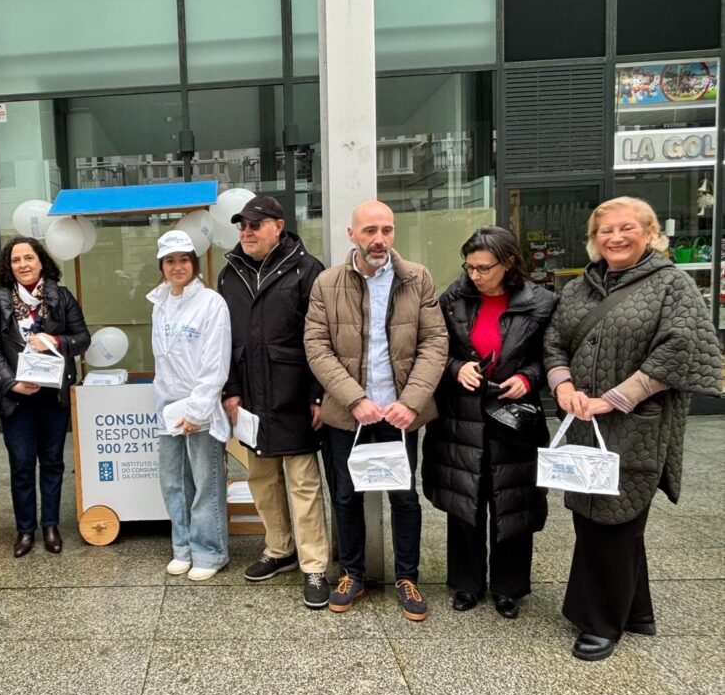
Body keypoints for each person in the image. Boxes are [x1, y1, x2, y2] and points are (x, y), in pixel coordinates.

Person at [543, 196, 721, 661]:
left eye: (627, 228)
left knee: (616, 519)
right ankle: (636, 612)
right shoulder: (580, 288)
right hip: (584, 422)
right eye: (605, 230)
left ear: (650, 233)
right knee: (592, 516)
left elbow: (680, 349)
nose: (615, 237)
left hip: (637, 424)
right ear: (593, 238)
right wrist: (563, 386)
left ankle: (601, 623)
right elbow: (555, 340)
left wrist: (615, 398)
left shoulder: (672, 285)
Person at [304, 200, 447, 620]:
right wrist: (355, 399)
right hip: (348, 414)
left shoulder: (417, 278)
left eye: (387, 229)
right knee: (346, 496)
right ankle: (353, 574)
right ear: (351, 235)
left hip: (400, 414)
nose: (379, 239)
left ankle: (407, 577)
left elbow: (435, 342)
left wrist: (411, 402)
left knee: (404, 497)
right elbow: (317, 346)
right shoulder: (327, 283)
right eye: (370, 231)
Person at [422, 226, 557, 619]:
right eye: (469, 267)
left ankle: (508, 587)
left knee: (512, 502)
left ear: (509, 262)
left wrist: (528, 378)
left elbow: (552, 356)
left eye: (483, 268)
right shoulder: (454, 298)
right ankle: (466, 583)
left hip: (513, 416)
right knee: (465, 501)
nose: (474, 275)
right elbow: (434, 349)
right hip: (462, 416)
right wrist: (456, 367)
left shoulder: (541, 303)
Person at [216, 194, 330, 609]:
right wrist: (230, 389)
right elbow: (223, 341)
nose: (246, 232)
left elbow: (321, 338)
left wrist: (318, 393)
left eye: (255, 225)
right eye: (242, 226)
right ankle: (280, 549)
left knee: (303, 483)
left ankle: (315, 565)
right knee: (261, 480)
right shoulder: (229, 273)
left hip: (293, 395)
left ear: (278, 227)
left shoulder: (307, 269)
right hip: (250, 396)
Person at [0, 236, 90, 557]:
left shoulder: (61, 296)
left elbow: (83, 338)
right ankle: (25, 530)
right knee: (22, 465)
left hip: (53, 396)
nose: (23, 265)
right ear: (9, 266)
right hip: (17, 398)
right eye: (16, 260)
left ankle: (50, 526)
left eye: (29, 258)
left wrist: (55, 340)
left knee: (53, 462)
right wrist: (9, 382)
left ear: (41, 261)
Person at [149, 230, 232, 581]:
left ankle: (210, 552)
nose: (177, 266)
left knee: (205, 482)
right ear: (162, 266)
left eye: (184, 259)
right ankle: (182, 547)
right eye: (170, 261)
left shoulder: (211, 303)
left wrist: (197, 410)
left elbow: (215, 362)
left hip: (200, 407)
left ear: (194, 263)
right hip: (168, 407)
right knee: (174, 482)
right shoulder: (159, 303)